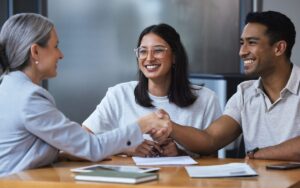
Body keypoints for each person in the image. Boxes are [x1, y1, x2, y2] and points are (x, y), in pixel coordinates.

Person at [0, 13, 171, 177]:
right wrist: (142, 124)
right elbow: (92, 147)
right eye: (56, 46)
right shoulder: (29, 98)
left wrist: (61, 154)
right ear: (35, 52)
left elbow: (21, 149)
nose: (61, 55)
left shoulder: (9, 87)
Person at [166, 10, 300, 161]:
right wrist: (169, 127)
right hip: (260, 184)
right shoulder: (245, 93)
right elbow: (210, 139)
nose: (242, 52)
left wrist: (257, 154)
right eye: (242, 43)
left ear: (279, 48)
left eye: (252, 42)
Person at [83, 23, 221, 157]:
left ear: (174, 56)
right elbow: (85, 140)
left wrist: (180, 153)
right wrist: (124, 147)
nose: (149, 58)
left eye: (158, 50)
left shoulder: (206, 99)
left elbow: (212, 155)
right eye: (143, 51)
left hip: (182, 179)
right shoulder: (119, 94)